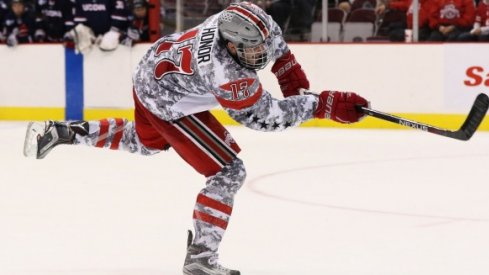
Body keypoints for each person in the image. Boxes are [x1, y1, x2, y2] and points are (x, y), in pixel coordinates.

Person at [23, 2, 369, 274]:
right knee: (228, 171)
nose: (257, 56)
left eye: (258, 46)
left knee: (147, 143)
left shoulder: (250, 18)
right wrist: (321, 105)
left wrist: (296, 87)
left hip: (150, 72)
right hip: (167, 99)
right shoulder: (226, 72)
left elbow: (281, 53)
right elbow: (264, 119)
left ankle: (65, 131)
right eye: (249, 51)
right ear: (231, 46)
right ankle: (201, 257)